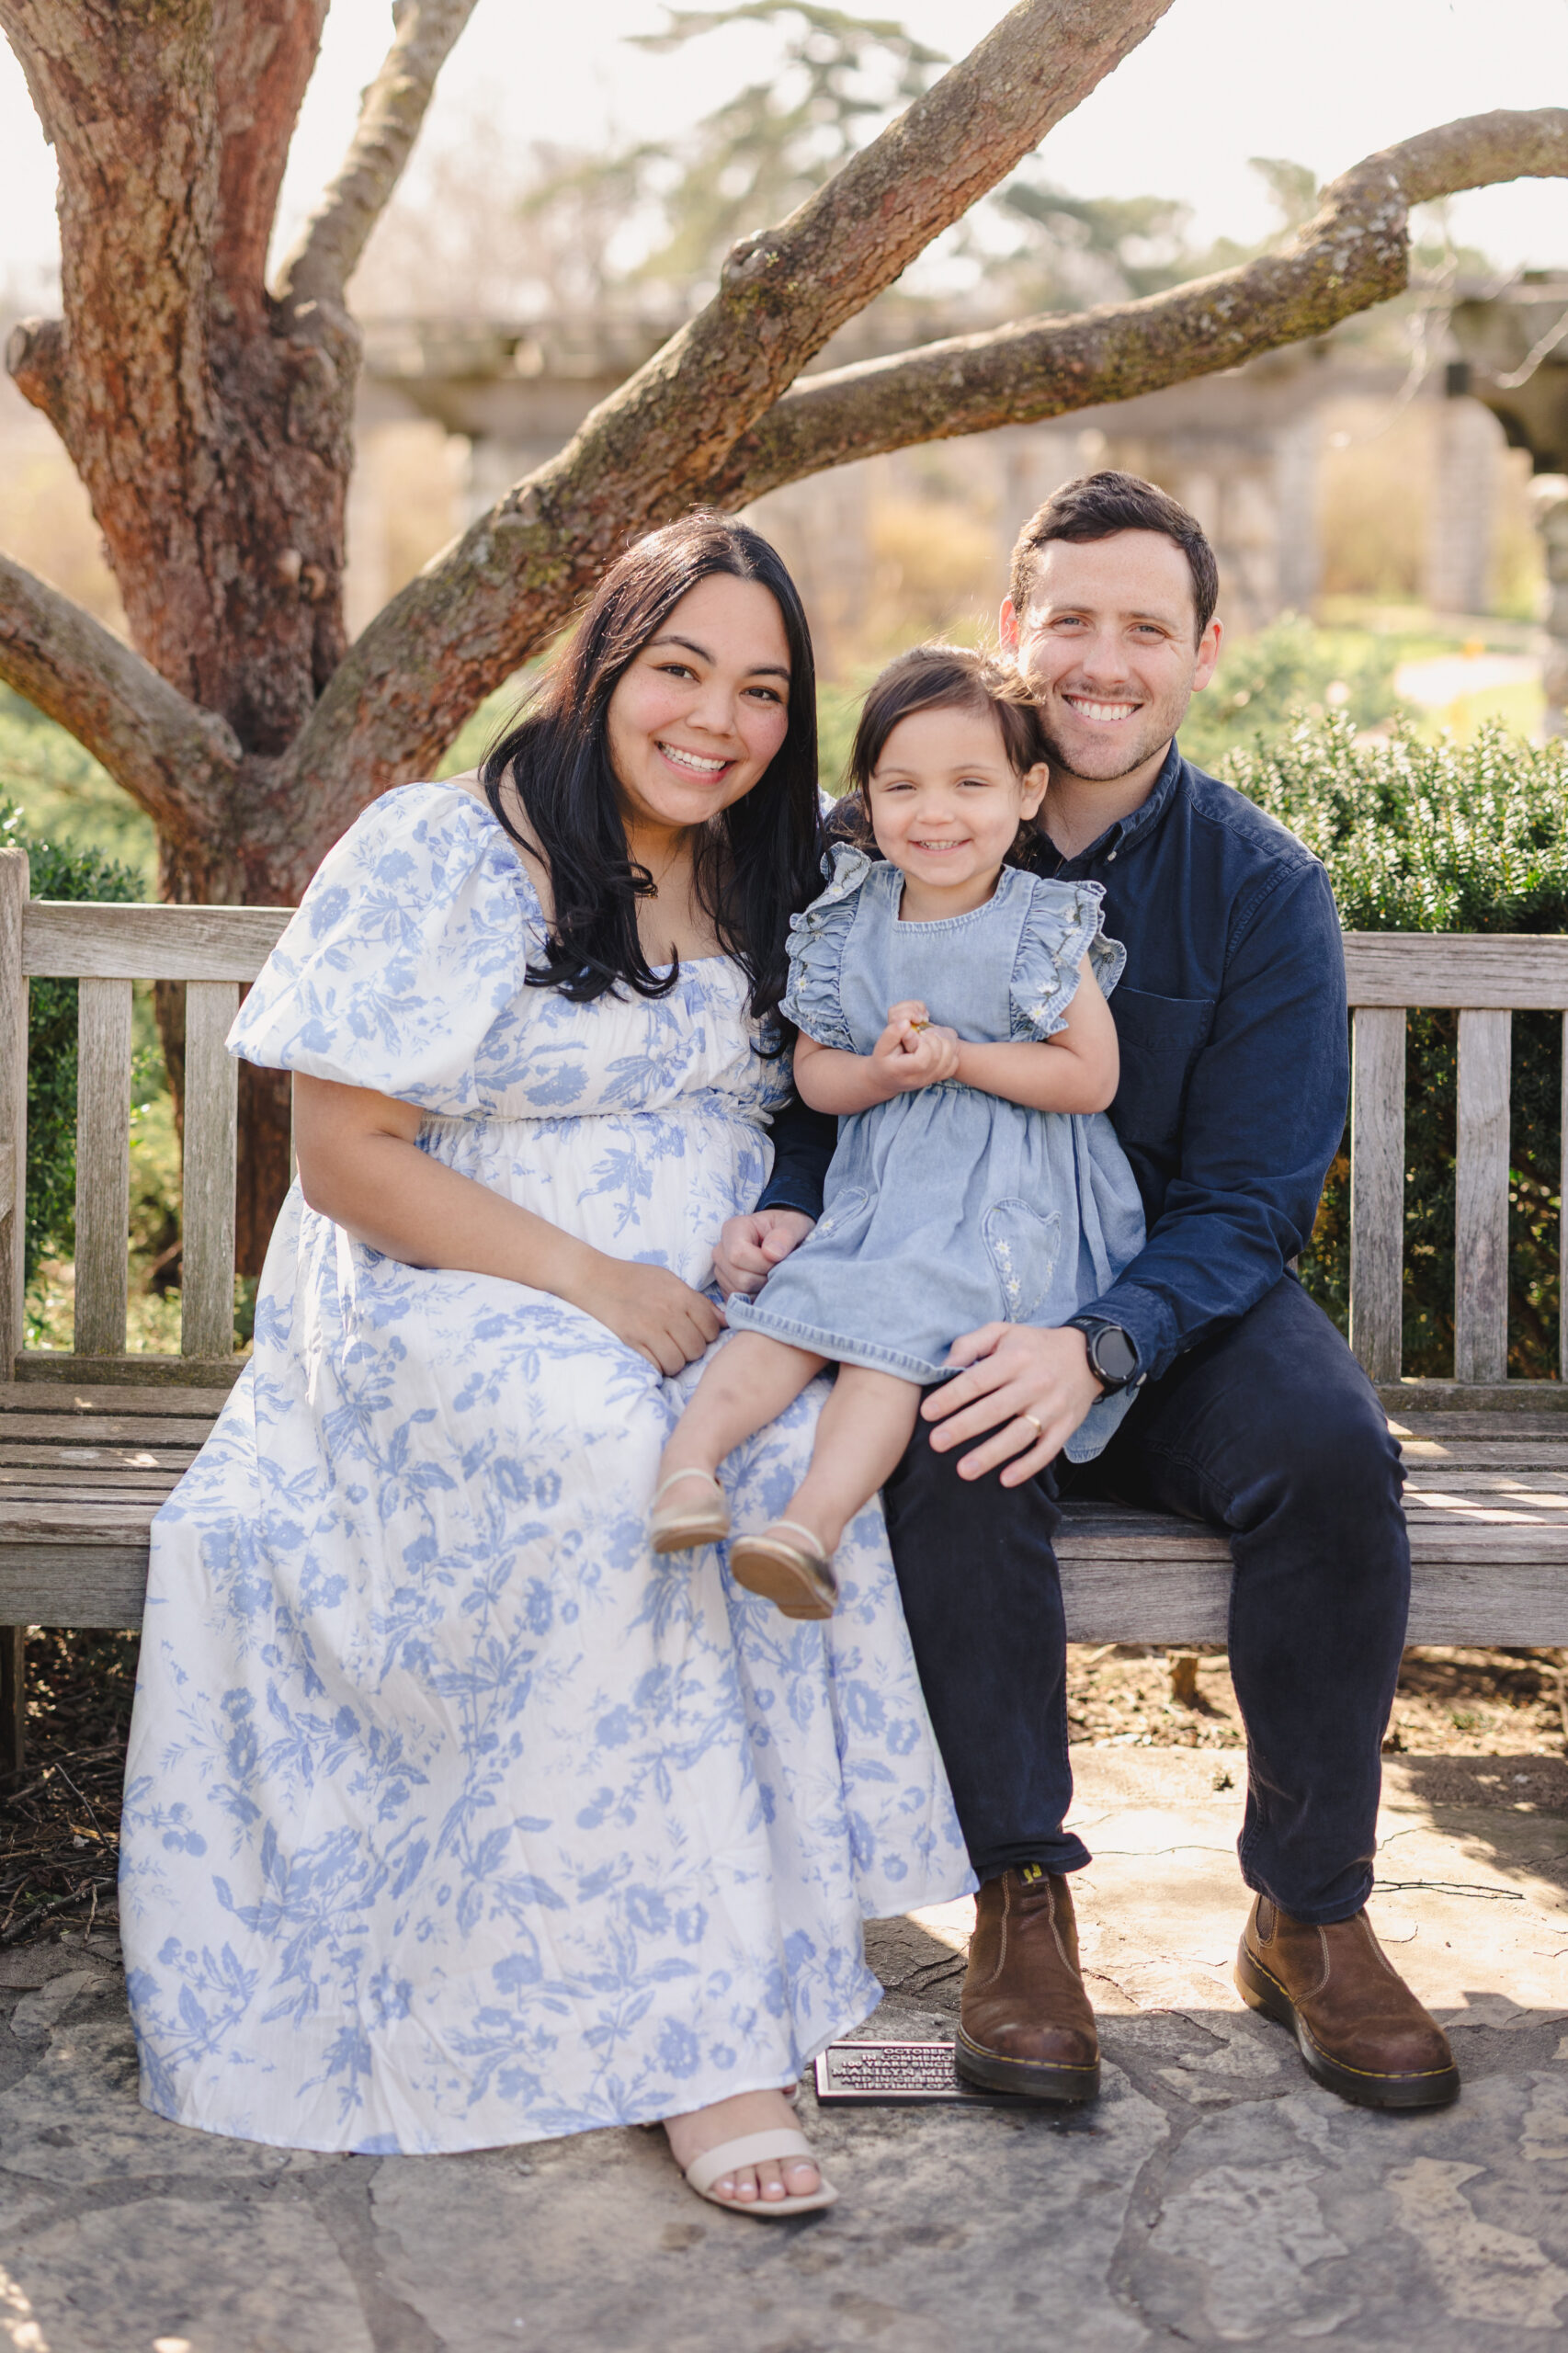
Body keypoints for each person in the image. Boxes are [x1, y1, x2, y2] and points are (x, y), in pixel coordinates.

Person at [119, 514, 972, 2214]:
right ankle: (703, 2051)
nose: (714, 720)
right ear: (600, 668)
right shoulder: (448, 846)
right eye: (677, 670)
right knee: (612, 1466)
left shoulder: (768, 862)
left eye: (758, 690)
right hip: (453, 1283)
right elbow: (350, 1151)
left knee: (776, 1455)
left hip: (719, 1298)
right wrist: (597, 1284)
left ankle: (751, 1953)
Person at [723, 472, 1459, 2114]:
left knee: (1335, 1456)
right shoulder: (882, 842)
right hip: (936, 1278)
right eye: (1070, 620)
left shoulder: (1259, 886)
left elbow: (1254, 1198)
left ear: (1202, 649)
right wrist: (784, 1212)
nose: (1103, 660)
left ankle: (1309, 1910)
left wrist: (1101, 1338)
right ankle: (1020, 1899)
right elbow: (798, 1085)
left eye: (1145, 627)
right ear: (1013, 631)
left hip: (1164, 1300)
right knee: (943, 1430)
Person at [650, 645, 1144, 1624]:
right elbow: (813, 1075)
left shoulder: (1037, 925)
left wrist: (959, 1058)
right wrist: (878, 1072)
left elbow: (1089, 1078)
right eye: (902, 786)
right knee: (784, 1311)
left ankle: (808, 1529)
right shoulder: (849, 919)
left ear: (1027, 789)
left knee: (888, 1350)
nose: (935, 813)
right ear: (865, 798)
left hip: (1001, 1208)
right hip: (876, 1198)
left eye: (970, 784)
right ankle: (685, 1472)